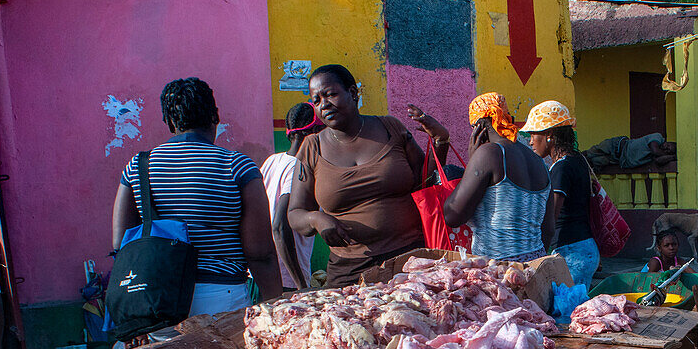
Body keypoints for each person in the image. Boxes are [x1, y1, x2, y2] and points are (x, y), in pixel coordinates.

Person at [112, 77, 282, 316]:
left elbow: (121, 243)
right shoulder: (237, 166)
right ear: (216, 116)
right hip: (222, 296)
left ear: (170, 122)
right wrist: (274, 305)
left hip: (157, 297)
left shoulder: (138, 166)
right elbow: (260, 253)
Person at [287, 64, 449, 287]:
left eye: (331, 94)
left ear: (352, 93)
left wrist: (441, 142)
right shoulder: (312, 147)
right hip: (348, 270)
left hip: (409, 262)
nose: (324, 105)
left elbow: (424, 183)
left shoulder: (390, 128)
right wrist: (317, 219)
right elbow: (295, 213)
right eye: (316, 100)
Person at [443, 93, 551, 262]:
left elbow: (452, 216)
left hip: (499, 271)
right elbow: (549, 228)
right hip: (536, 264)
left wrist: (471, 163)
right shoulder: (539, 161)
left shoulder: (488, 154)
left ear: (479, 128)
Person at [523, 101, 600, 289]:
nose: (530, 141)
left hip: (572, 253)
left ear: (549, 135)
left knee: (567, 314)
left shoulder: (561, 168)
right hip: (582, 248)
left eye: (534, 134)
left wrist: (538, 256)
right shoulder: (577, 159)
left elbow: (552, 216)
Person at [261, 102, 324, 290]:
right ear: (311, 133)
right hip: (286, 280)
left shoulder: (273, 161)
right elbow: (279, 226)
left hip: (264, 273)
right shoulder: (297, 167)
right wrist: (301, 284)